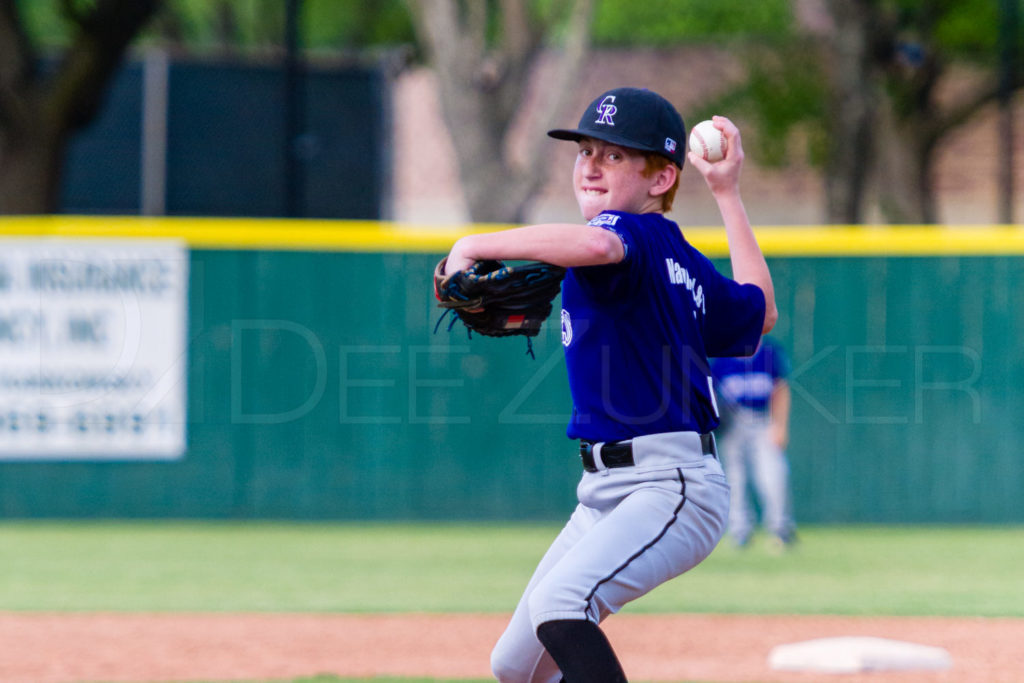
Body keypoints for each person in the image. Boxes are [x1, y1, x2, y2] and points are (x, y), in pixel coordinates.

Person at [440, 87, 777, 683]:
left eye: (615, 155)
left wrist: (473, 243)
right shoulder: (679, 257)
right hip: (605, 491)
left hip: (670, 484)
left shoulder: (632, 236)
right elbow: (760, 314)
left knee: (561, 606)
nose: (591, 164)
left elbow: (598, 241)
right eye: (585, 150)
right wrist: (727, 193)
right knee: (513, 666)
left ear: (661, 177)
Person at [711, 335, 796, 550]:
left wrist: (780, 425)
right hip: (732, 424)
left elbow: (780, 389)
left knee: (773, 475)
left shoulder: (769, 352)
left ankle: (781, 530)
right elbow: (711, 395)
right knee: (734, 479)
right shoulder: (723, 356)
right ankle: (740, 532)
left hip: (762, 421)